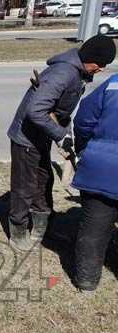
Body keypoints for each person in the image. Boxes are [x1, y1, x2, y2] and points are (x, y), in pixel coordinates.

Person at [6, 35, 116, 252]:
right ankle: (18, 231)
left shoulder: (77, 73)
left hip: (41, 135)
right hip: (26, 138)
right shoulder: (63, 73)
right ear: (90, 58)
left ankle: (42, 228)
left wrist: (64, 135)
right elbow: (35, 111)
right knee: (24, 187)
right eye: (100, 64)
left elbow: (59, 111)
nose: (101, 69)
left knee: (43, 181)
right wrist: (59, 134)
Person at [71, 72, 118, 294]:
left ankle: (87, 282)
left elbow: (83, 119)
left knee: (94, 229)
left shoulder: (113, 83)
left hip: (101, 166)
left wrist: (85, 147)